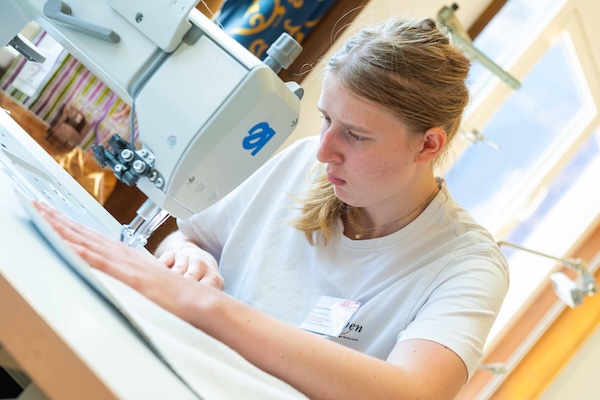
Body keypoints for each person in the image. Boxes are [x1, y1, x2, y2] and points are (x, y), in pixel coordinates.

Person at [36, 17, 509, 399]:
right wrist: (188, 259)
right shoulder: (306, 164)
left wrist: (207, 307)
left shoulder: (466, 265)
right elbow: (187, 237)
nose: (324, 150)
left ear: (428, 145)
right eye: (326, 119)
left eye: (355, 135)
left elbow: (411, 392)